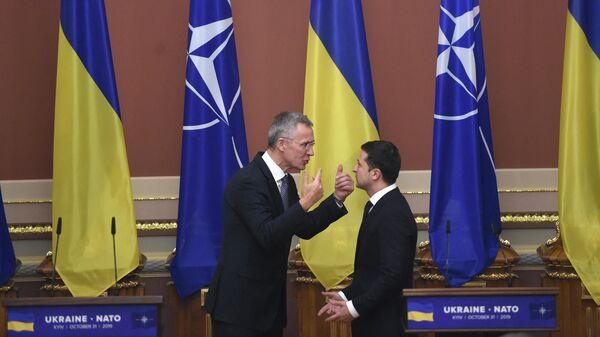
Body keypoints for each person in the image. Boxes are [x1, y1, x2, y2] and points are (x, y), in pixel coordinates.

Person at [205, 111, 355, 337]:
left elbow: (304, 227)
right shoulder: (248, 182)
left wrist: (337, 199)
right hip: (239, 309)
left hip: (269, 307)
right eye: (306, 145)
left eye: (312, 145)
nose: (311, 152)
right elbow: (267, 234)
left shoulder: (285, 182)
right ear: (282, 144)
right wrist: (305, 203)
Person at [318, 140, 418, 337]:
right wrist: (344, 295)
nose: (354, 169)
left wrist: (353, 308)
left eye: (359, 164)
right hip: (373, 321)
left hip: (386, 325)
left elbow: (391, 277)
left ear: (375, 174)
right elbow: (371, 272)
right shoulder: (376, 206)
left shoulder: (392, 213)